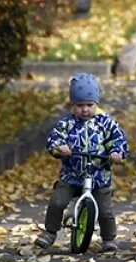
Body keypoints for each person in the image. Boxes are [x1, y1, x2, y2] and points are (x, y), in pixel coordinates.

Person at [35, 73, 130, 252]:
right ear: (73, 104)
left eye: (89, 105)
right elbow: (54, 138)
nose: (85, 110)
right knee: (57, 202)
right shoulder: (67, 123)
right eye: (80, 105)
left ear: (97, 103)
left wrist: (117, 153)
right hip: (72, 175)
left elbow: (118, 139)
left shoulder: (106, 123)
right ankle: (50, 232)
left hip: (99, 176)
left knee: (105, 211)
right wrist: (59, 147)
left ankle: (109, 238)